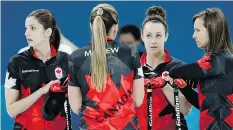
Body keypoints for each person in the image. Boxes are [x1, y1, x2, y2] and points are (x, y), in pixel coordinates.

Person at [68, 3, 144, 130]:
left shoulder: (75, 57)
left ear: (91, 26)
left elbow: (75, 107)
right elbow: (138, 99)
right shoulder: (131, 51)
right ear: (115, 28)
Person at [4, 9, 69, 130]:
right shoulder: (16, 62)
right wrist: (42, 91)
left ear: (48, 32)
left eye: (32, 28)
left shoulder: (66, 60)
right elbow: (11, 110)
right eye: (26, 28)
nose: (26, 33)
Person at [169, 7, 233, 130]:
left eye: (197, 30)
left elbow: (175, 71)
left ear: (211, 30)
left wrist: (189, 75)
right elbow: (204, 104)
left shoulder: (219, 59)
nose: (194, 36)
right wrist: (185, 88)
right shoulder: (219, 61)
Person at [136, 6, 197, 130]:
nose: (153, 41)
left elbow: (186, 109)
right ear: (142, 37)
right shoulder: (133, 67)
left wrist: (164, 84)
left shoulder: (179, 67)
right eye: (148, 35)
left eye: (158, 36)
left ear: (166, 36)